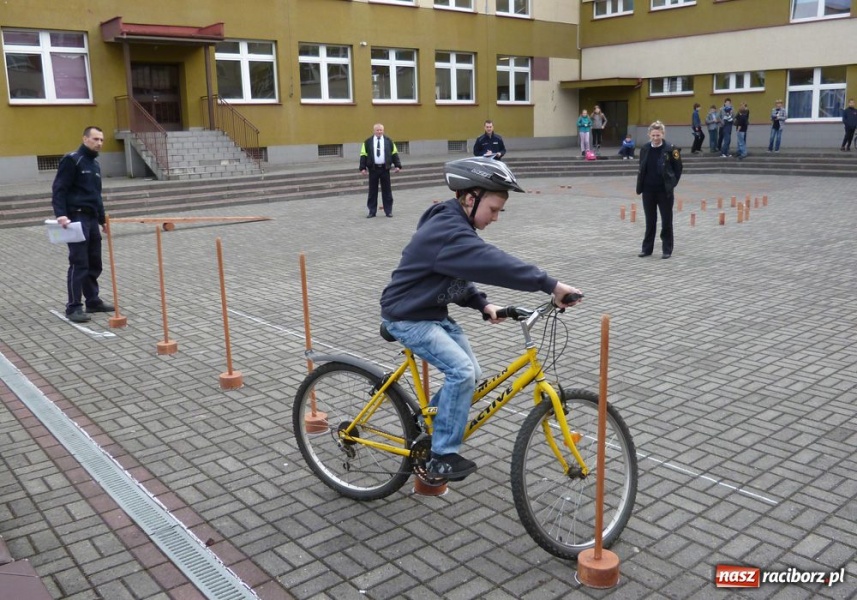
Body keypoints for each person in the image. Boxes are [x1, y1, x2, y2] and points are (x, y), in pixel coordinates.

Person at [379, 157, 582, 481]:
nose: (496, 217)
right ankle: (441, 457)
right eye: (494, 209)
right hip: (408, 317)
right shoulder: (446, 229)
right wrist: (551, 284)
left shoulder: (454, 228)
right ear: (470, 198)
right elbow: (491, 262)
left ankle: (427, 424)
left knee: (471, 373)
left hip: (431, 314)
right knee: (460, 371)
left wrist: (481, 304)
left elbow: (456, 273)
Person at [51, 126, 113, 324]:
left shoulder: (94, 165)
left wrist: (103, 220)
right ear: (85, 139)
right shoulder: (72, 159)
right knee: (79, 262)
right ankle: (73, 307)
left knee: (94, 261)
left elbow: (97, 196)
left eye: (101, 140)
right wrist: (60, 214)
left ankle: (92, 301)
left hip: (91, 219)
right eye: (95, 139)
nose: (99, 143)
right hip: (75, 218)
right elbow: (59, 189)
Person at [635, 121, 683, 260]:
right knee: (650, 220)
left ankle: (667, 249)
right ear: (649, 134)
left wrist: (672, 183)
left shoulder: (671, 149)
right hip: (648, 190)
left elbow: (678, 168)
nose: (656, 138)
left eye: (658, 135)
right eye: (653, 135)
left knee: (666, 220)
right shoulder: (644, 148)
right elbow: (642, 167)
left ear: (663, 134)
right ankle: (647, 249)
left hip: (664, 191)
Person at [359, 123, 402, 218]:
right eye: (377, 130)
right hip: (373, 169)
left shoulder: (389, 141)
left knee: (387, 191)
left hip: (384, 169)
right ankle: (372, 211)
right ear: (374, 131)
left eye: (381, 130)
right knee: (372, 191)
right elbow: (363, 155)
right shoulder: (367, 142)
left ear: (383, 130)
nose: (379, 132)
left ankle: (388, 211)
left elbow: (394, 153)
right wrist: (362, 168)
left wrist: (397, 165)